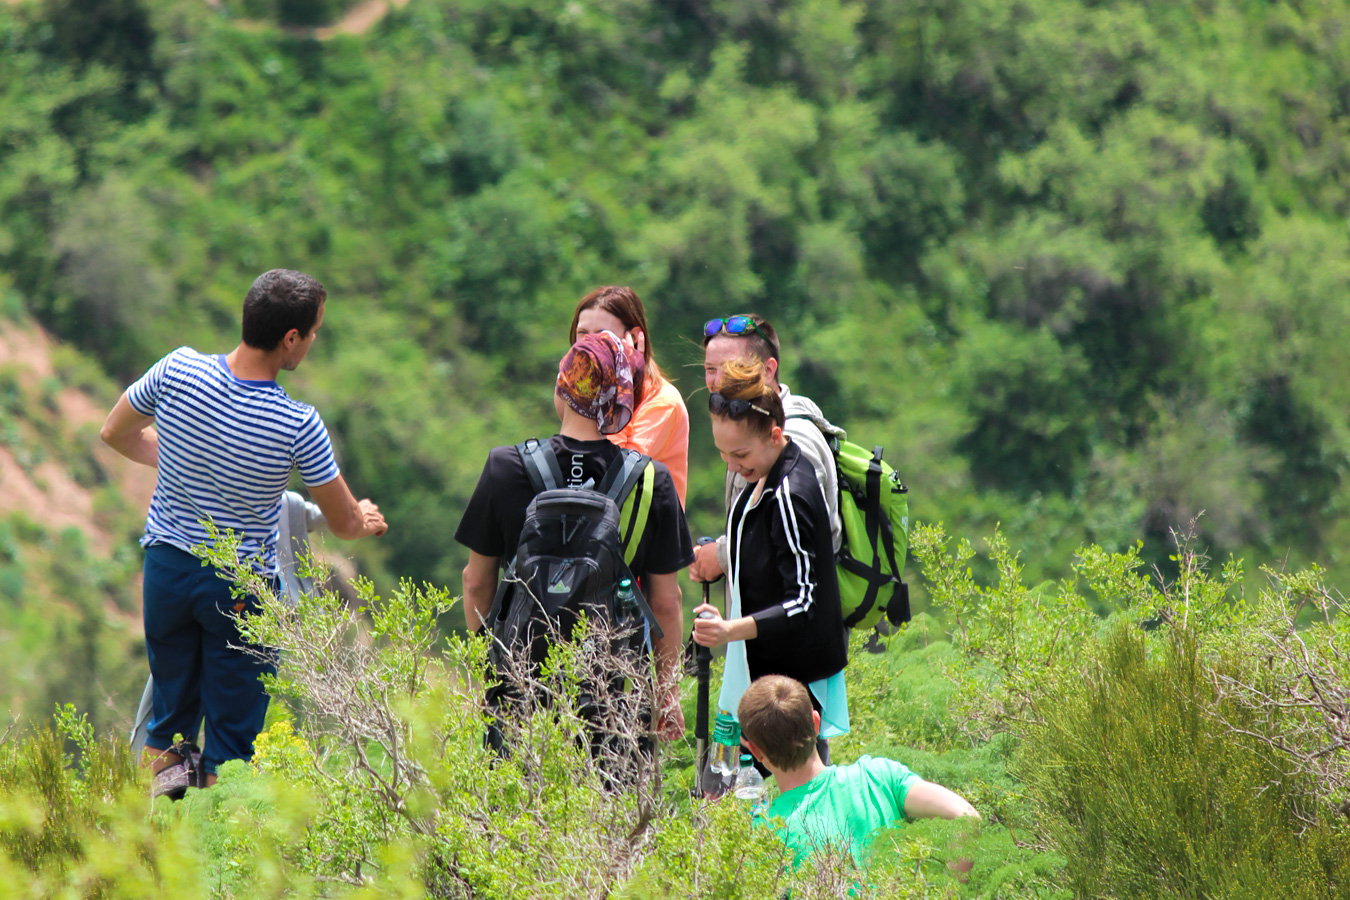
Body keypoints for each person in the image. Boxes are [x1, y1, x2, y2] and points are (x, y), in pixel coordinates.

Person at [100, 268, 388, 789]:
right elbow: (344, 523)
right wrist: (364, 519)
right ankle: (213, 837)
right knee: (230, 752)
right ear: (290, 338)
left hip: (165, 571)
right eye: (313, 332)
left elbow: (115, 432)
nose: (313, 342)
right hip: (237, 588)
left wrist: (187, 460)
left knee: (167, 728)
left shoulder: (176, 369)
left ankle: (152, 828)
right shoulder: (298, 424)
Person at [456, 331, 693, 741]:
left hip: (520, 694)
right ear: (619, 403)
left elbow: (475, 582)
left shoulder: (504, 467)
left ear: (561, 385)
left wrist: (487, 673)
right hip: (615, 699)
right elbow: (666, 604)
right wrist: (666, 693)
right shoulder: (650, 481)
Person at [691, 358, 847, 762]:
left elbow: (804, 601)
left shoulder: (788, 494)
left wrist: (730, 630)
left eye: (740, 453)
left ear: (775, 434)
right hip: (766, 671)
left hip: (789, 686)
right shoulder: (764, 472)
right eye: (723, 454)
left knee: (790, 782)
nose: (732, 465)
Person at [129, 490, 325, 751]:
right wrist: (355, 516)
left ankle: (153, 771)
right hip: (238, 591)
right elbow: (337, 517)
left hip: (172, 576)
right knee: (229, 741)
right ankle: (210, 773)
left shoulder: (189, 475)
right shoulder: (266, 484)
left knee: (167, 719)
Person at [738, 675, 980, 868]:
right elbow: (966, 817)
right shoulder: (878, 776)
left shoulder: (764, 836)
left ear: (755, 752)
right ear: (815, 722)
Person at [687, 314, 844, 584]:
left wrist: (722, 556)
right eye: (710, 369)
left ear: (769, 370)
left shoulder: (796, 438)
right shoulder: (745, 429)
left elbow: (806, 542)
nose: (717, 380)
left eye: (733, 367)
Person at [569, 286, 690, 505]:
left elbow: (617, 476)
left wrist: (620, 390)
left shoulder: (663, 402)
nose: (589, 345)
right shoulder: (585, 391)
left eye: (602, 335)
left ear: (632, 338)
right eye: (583, 333)